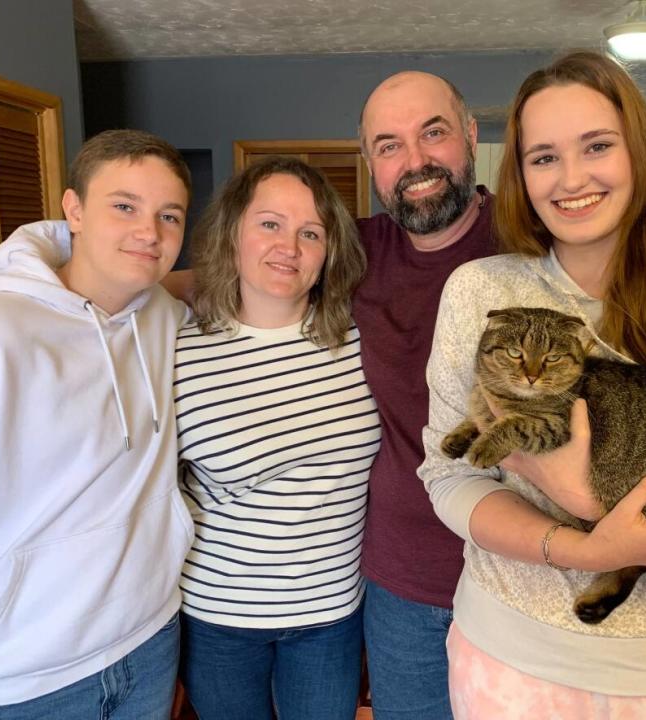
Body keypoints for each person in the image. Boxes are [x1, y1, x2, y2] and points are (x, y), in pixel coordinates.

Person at [354, 70, 646, 719]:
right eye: (545, 157)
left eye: (597, 146)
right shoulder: (388, 258)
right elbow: (251, 259)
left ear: (471, 137)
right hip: (473, 622)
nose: (571, 179)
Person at [0, 129, 194, 719]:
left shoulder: (164, 316)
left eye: (170, 215)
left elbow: (234, 285)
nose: (149, 232)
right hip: (27, 679)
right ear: (74, 210)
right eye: (125, 206)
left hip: (151, 638)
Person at [174, 157, 380, 720]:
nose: (288, 247)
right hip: (217, 613)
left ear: (328, 250)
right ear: (233, 233)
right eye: (269, 224)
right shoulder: (176, 350)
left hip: (330, 613)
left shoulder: (363, 341)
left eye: (309, 233)